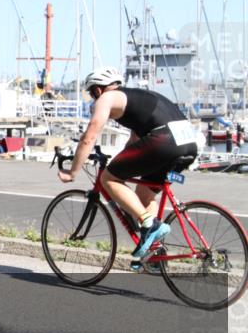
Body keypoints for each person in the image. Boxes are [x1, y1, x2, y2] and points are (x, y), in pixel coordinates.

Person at [58, 67, 199, 270]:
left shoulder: (106, 99)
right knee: (143, 192)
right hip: (188, 143)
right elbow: (135, 141)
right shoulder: (137, 98)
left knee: (108, 179)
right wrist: (119, 162)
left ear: (98, 90)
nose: (92, 98)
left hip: (165, 142)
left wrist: (72, 172)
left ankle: (149, 225)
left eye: (91, 93)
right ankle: (153, 252)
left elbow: (89, 136)